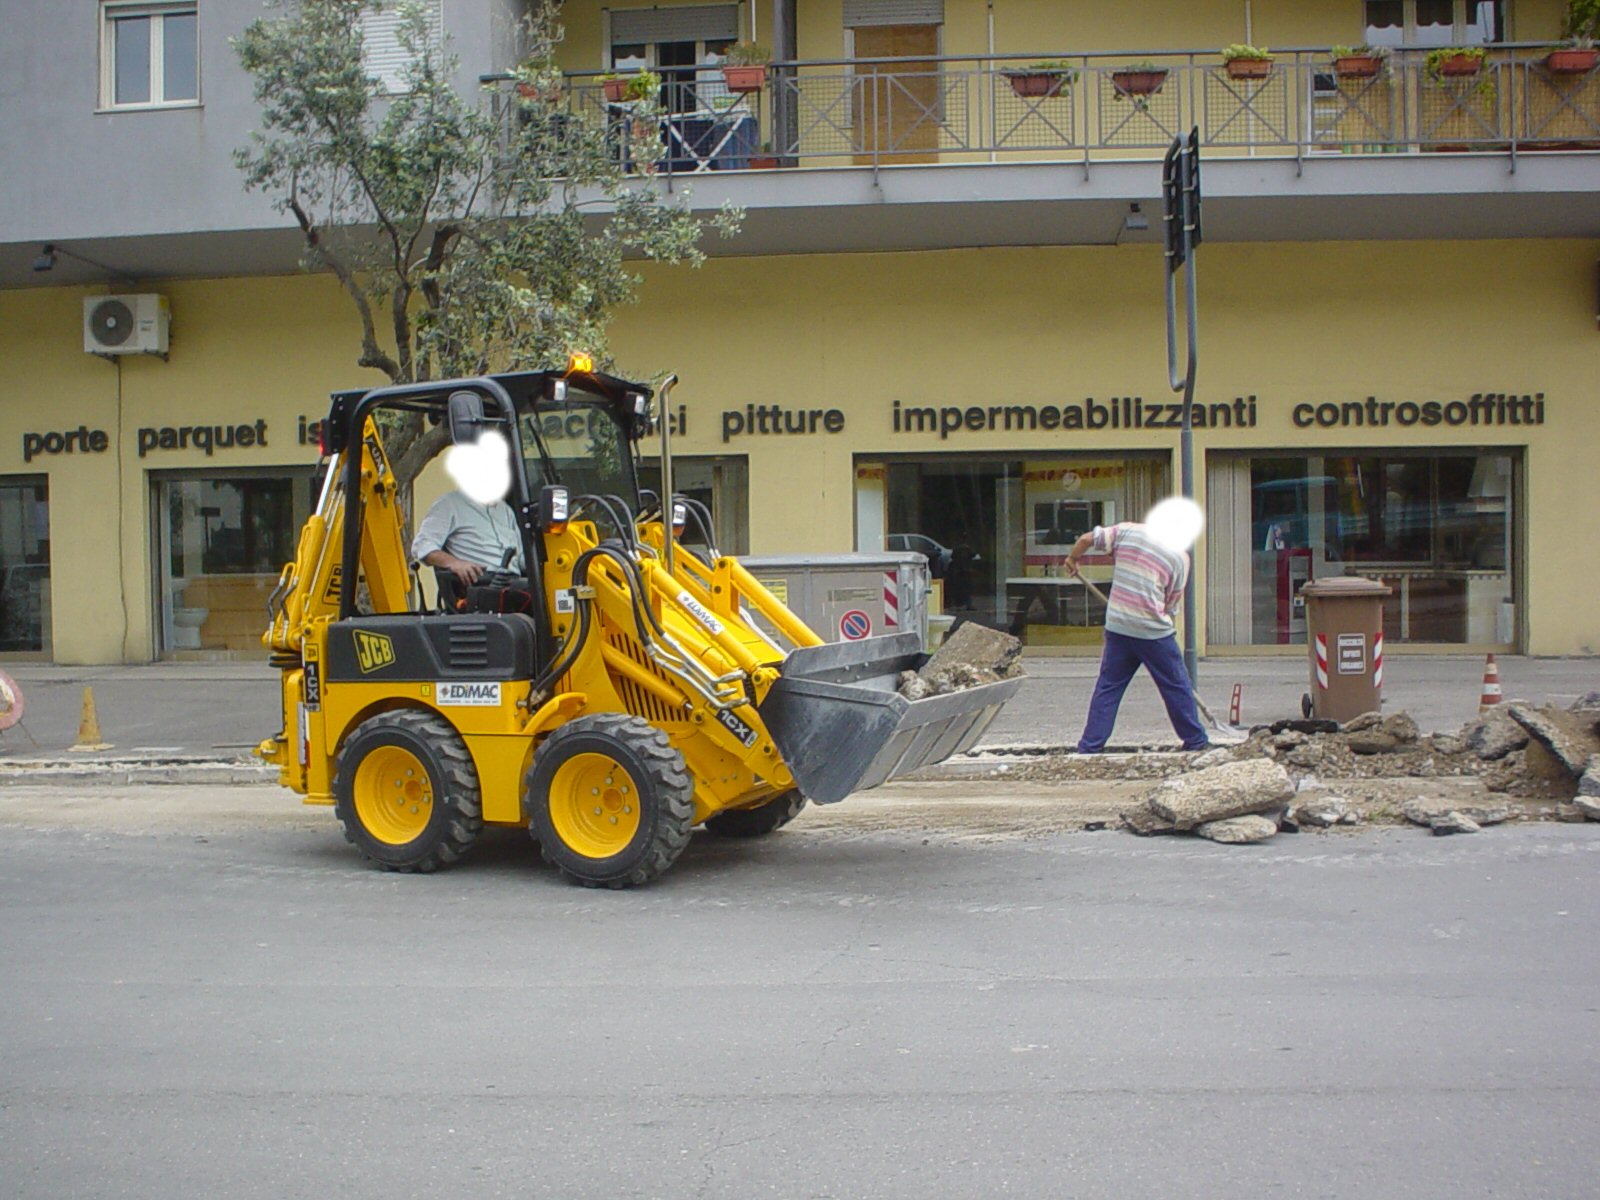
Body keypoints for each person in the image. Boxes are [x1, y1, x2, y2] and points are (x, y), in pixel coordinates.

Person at [1065, 521, 1209, 753]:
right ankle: (1196, 740)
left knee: (1109, 687)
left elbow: (1085, 539)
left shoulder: (1127, 532)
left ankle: (1089, 747)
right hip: (1153, 632)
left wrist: (1073, 559)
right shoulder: (1180, 557)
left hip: (1118, 626)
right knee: (1176, 686)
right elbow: (1171, 602)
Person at [411, 490, 523, 588]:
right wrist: (455, 563)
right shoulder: (450, 504)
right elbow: (422, 545)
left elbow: (521, 558)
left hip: (514, 582)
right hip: (483, 583)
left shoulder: (505, 510)